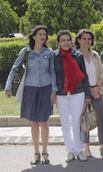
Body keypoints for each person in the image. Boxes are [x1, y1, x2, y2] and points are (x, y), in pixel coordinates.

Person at [4, 25, 56, 165]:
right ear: (34, 36)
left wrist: (54, 91)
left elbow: (52, 72)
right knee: (34, 122)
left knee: (44, 121)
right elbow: (14, 68)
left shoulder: (49, 52)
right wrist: (8, 86)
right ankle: (36, 153)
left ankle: (45, 152)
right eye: (40, 34)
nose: (43, 36)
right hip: (30, 89)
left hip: (46, 89)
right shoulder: (26, 52)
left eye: (44, 34)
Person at [52, 30, 90, 162]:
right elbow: (52, 76)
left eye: (68, 40)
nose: (66, 42)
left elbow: (85, 76)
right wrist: (53, 92)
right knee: (65, 123)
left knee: (76, 122)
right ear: (59, 43)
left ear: (71, 41)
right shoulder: (54, 56)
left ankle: (79, 150)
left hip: (77, 93)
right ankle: (70, 150)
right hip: (61, 94)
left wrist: (87, 95)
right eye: (63, 40)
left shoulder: (78, 55)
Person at [75, 29, 103, 156]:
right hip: (81, 93)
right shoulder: (74, 55)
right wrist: (88, 89)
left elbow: (101, 72)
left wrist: (96, 86)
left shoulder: (95, 55)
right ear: (78, 40)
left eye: (89, 39)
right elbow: (76, 76)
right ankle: (86, 148)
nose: (87, 41)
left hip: (97, 91)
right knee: (84, 120)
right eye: (84, 38)